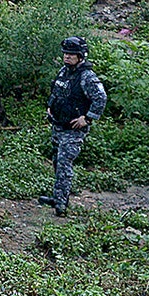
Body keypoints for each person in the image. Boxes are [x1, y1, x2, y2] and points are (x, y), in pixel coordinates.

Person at [38, 36, 107, 217]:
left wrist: (88, 118)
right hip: (58, 125)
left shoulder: (87, 77)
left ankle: (61, 205)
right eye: (65, 53)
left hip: (73, 130)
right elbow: (57, 91)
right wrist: (50, 107)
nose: (67, 57)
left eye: (71, 54)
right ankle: (58, 197)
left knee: (64, 164)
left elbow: (101, 98)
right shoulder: (64, 71)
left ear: (80, 56)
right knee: (56, 161)